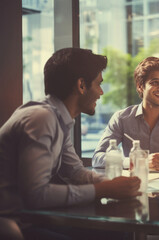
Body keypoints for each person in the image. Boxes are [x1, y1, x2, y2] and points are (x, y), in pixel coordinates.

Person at [0, 48, 141, 215]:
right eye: (99, 84)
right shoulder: (41, 118)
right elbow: (36, 195)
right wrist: (103, 189)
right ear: (81, 85)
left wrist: (116, 184)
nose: (101, 92)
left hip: (26, 218)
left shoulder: (59, 119)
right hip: (11, 222)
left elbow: (74, 172)